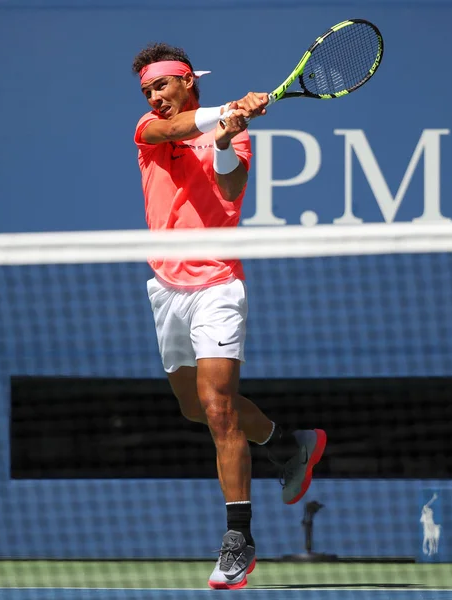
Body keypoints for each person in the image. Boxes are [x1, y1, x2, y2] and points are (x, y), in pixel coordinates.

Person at [132, 42, 326, 590]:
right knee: (194, 408)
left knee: (219, 408)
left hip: (217, 282)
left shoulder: (234, 132)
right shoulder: (150, 128)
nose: (154, 97)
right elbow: (167, 133)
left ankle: (238, 539)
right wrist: (225, 111)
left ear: (188, 81)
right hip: (166, 287)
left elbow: (232, 187)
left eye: (163, 86)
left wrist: (223, 139)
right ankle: (289, 446)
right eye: (148, 90)